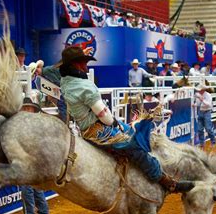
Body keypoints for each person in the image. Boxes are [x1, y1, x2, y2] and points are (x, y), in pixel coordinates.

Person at [59, 46, 194, 193]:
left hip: (86, 129)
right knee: (133, 145)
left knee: (131, 131)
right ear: (76, 65)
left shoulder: (65, 82)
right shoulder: (84, 86)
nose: (86, 65)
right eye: (83, 62)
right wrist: (113, 122)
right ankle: (166, 181)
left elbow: (47, 69)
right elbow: (104, 115)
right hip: (98, 130)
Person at [193, 84, 216, 149]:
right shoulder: (198, 95)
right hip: (200, 112)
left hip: (207, 112)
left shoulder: (208, 95)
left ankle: (213, 141)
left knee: (208, 128)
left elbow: (208, 104)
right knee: (200, 129)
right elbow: (198, 104)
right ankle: (202, 143)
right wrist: (194, 105)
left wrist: (202, 100)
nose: (199, 91)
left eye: (200, 90)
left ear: (203, 90)